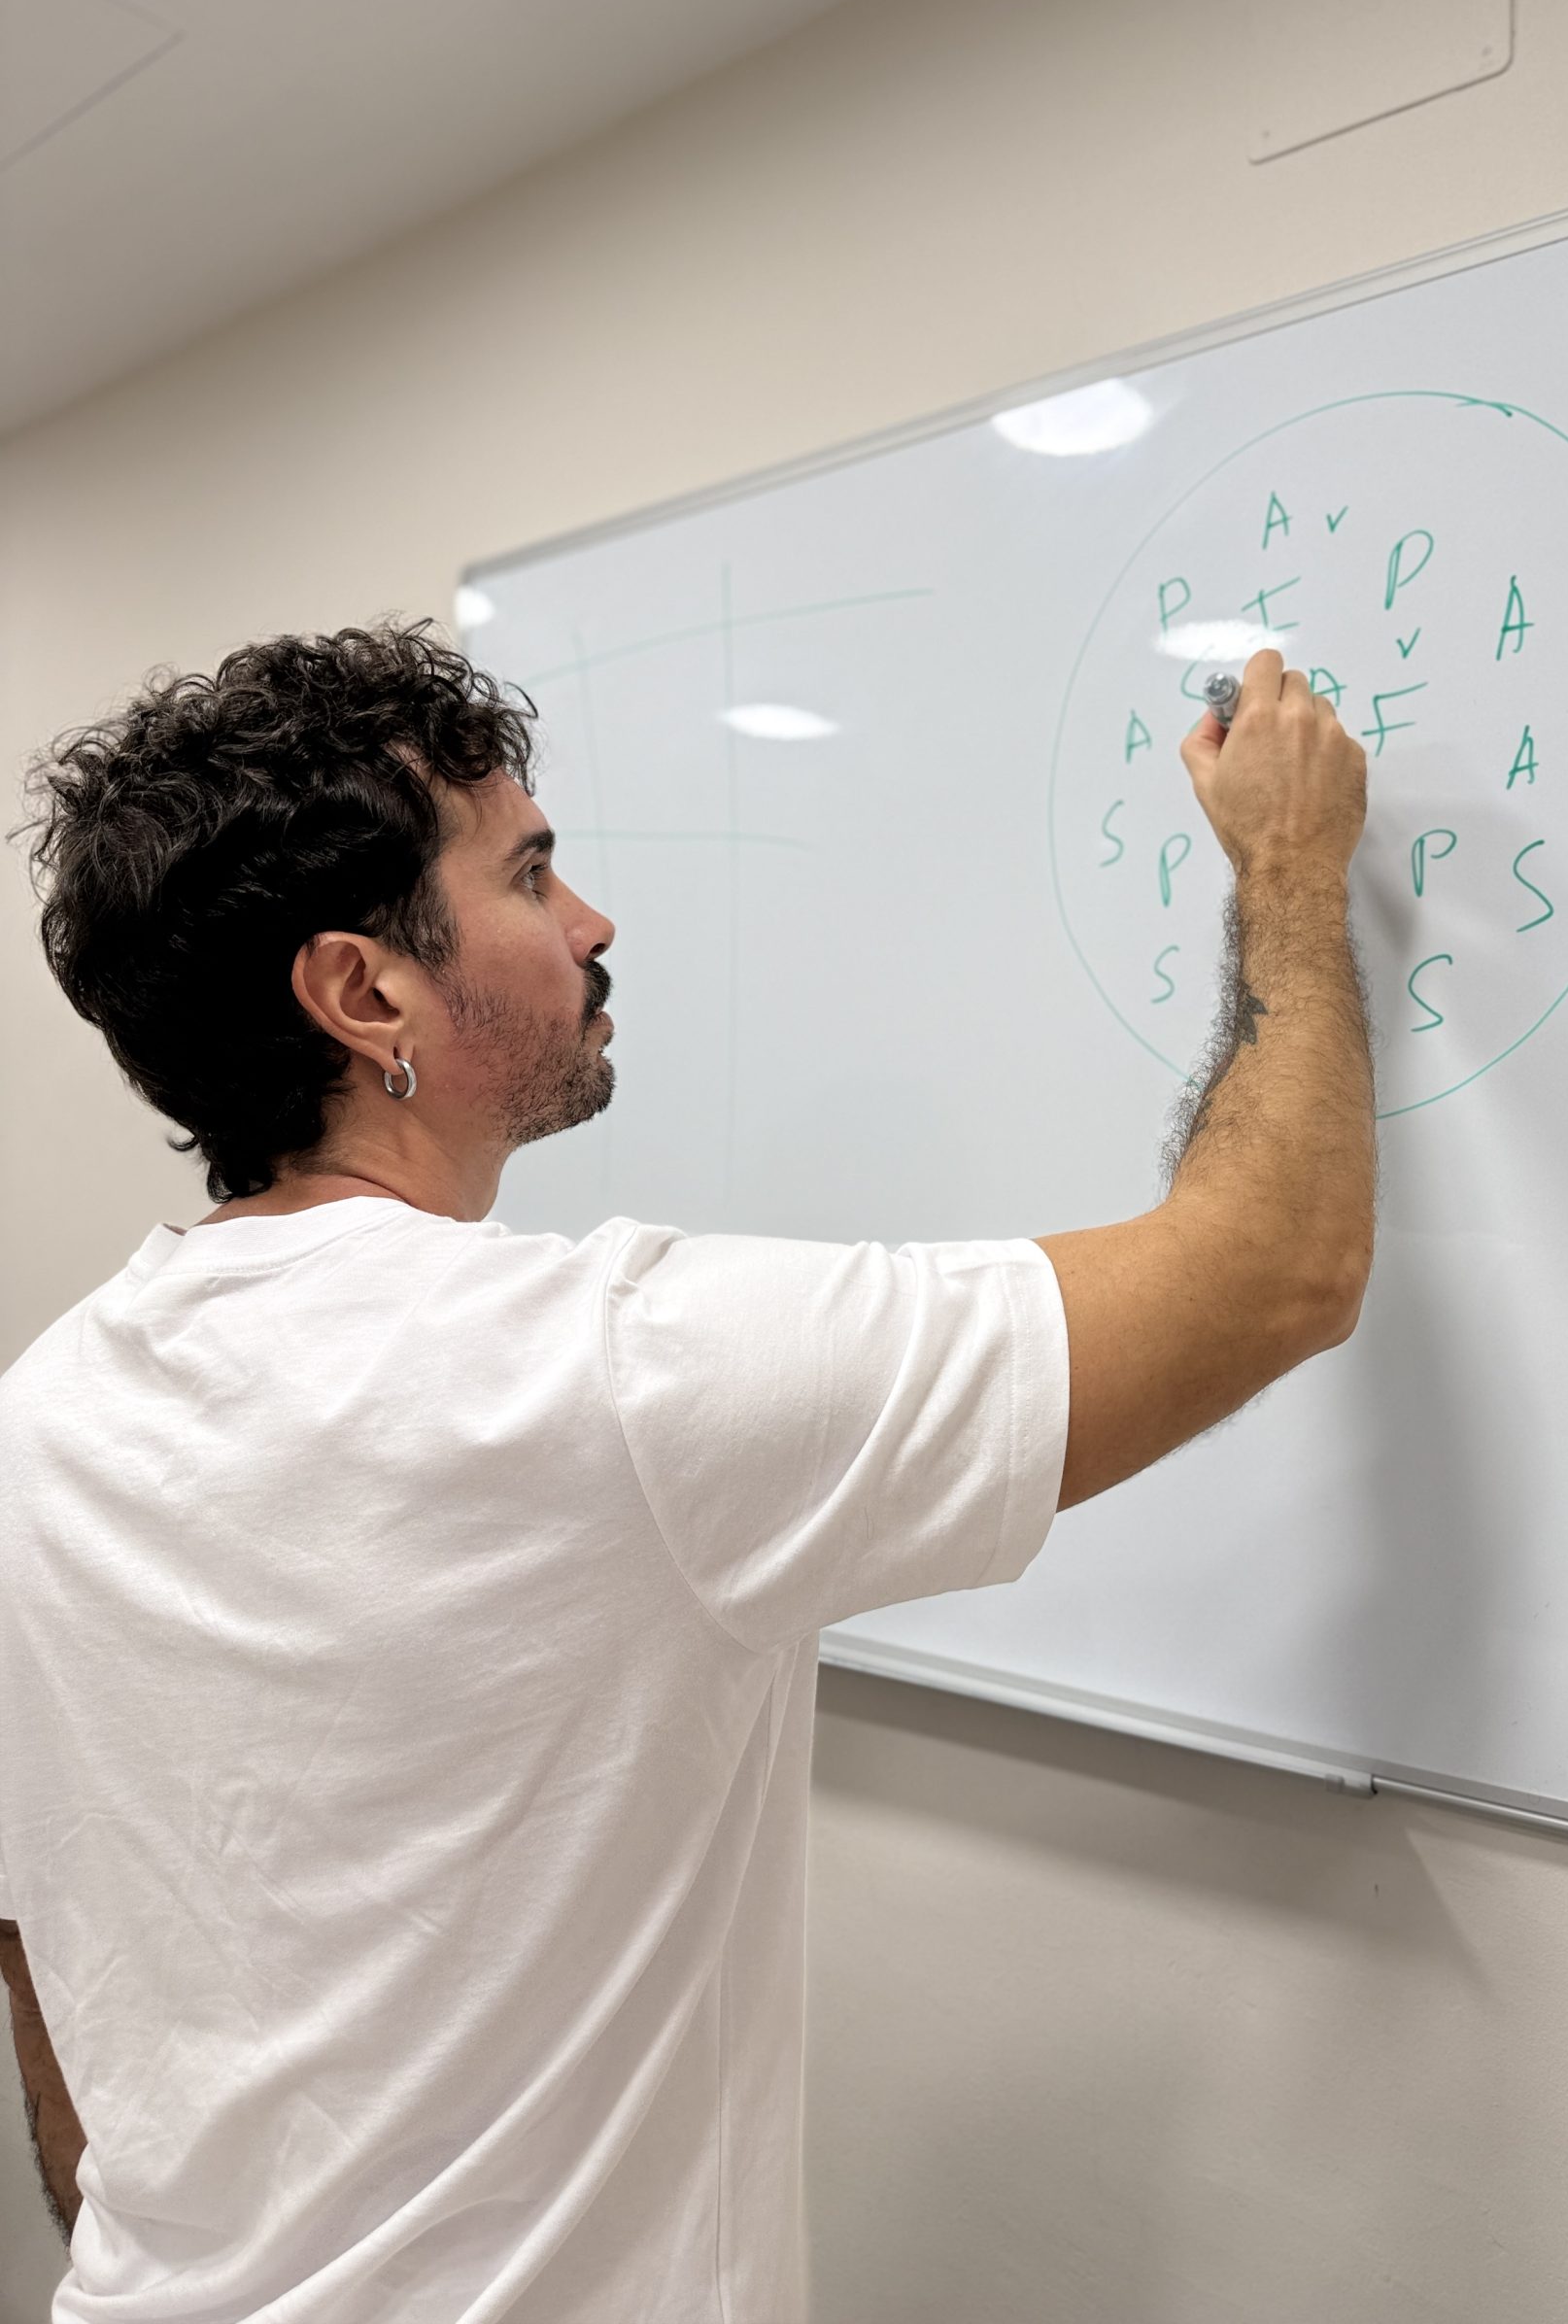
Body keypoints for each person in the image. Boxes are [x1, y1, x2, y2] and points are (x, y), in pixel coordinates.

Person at [0, 621, 1372, 2317]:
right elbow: (1278, 1265)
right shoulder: (606, 1376)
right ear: (367, 993)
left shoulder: (44, 1410)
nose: (592, 924)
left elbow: (38, 1944)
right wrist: (1292, 876)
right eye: (533, 875)